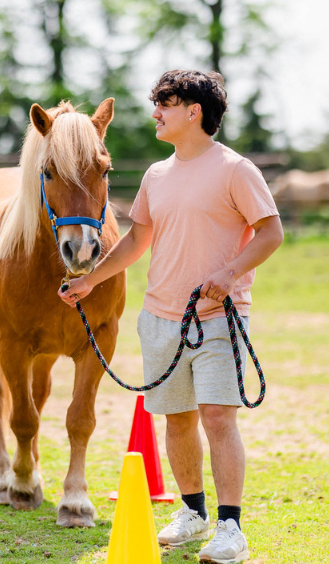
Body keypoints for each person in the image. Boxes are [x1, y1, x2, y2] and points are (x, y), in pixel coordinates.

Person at [59, 70, 283, 564]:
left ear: (193, 112)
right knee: (177, 421)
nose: (155, 112)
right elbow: (137, 241)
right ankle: (192, 512)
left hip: (218, 317)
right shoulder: (155, 176)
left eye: (164, 103)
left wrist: (230, 273)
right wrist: (90, 279)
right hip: (161, 318)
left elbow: (270, 233)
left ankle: (231, 527)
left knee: (218, 418)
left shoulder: (235, 170)